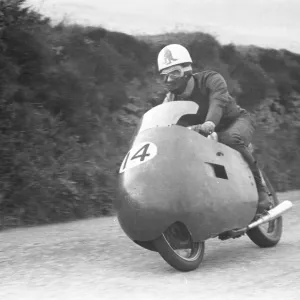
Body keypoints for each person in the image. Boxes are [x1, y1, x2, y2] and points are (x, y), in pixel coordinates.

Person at [157, 43, 271, 215]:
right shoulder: (170, 101)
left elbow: (217, 102)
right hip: (202, 134)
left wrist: (209, 123)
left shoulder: (211, 79)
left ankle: (261, 191)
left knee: (229, 139)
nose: (170, 79)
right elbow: (163, 123)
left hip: (235, 121)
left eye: (175, 73)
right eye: (165, 76)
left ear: (187, 70)